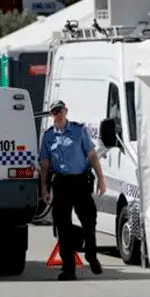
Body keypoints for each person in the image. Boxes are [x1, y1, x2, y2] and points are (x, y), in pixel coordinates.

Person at [39, 100, 105, 280]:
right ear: (51, 115)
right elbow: (45, 165)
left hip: (80, 182)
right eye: (54, 112)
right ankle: (68, 269)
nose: (58, 115)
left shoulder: (78, 130)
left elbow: (92, 155)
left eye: (60, 111)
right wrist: (44, 188)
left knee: (89, 220)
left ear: (66, 111)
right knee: (62, 226)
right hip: (61, 184)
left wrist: (101, 178)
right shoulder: (48, 136)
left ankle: (91, 255)